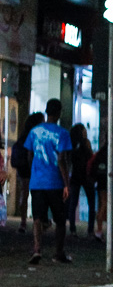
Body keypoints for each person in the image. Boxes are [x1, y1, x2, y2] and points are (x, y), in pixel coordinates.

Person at [25, 99, 72, 264]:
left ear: (46, 112)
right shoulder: (62, 133)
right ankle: (58, 253)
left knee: (37, 217)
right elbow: (62, 160)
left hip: (37, 182)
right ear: (59, 113)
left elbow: (29, 155)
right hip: (55, 182)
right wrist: (67, 183)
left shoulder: (34, 132)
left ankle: (37, 249)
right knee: (60, 220)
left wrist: (35, 172)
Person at [11, 112, 44, 234]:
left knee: (24, 194)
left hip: (23, 167)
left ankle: (23, 221)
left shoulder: (23, 135)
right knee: (37, 194)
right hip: (32, 167)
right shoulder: (35, 135)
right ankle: (39, 220)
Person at [90, 131, 113, 242]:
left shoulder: (101, 152)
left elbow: (91, 164)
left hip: (101, 181)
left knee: (103, 205)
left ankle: (99, 231)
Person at [66, 123, 95, 238]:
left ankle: (73, 229)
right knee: (91, 203)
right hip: (86, 176)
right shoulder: (86, 143)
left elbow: (69, 159)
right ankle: (90, 230)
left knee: (73, 203)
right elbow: (91, 157)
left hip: (75, 175)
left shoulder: (71, 144)